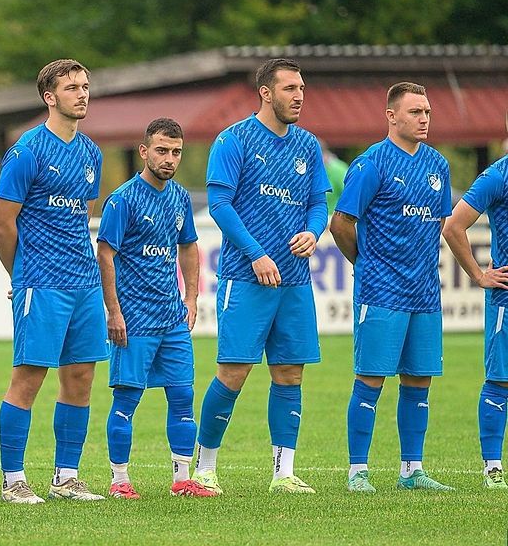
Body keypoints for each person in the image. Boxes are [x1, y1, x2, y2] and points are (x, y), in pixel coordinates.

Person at [194, 58, 330, 495]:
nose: (300, 96)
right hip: (245, 276)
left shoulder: (308, 145)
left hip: (294, 280)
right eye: (290, 88)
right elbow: (220, 205)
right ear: (266, 92)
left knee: (290, 374)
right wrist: (255, 254)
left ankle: (283, 473)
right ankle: (205, 466)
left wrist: (313, 231)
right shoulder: (233, 139)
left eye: (302, 88)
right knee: (233, 372)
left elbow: (318, 204)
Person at [0, 59, 108, 504]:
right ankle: (13, 479)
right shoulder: (27, 150)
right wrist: (19, 275)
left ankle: (66, 476)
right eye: (71, 87)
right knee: (29, 376)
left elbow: (78, 216)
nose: (82, 94)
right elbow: (3, 224)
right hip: (41, 281)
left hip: (84, 280)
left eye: (85, 86)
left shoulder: (91, 153)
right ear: (49, 97)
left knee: (79, 377)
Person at [330, 82, 454, 493]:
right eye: (416, 111)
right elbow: (341, 223)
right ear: (391, 116)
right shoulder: (371, 164)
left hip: (424, 293)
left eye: (427, 112)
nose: (424, 119)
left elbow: (439, 223)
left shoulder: (437, 165)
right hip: (381, 290)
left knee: (420, 380)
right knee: (371, 379)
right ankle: (357, 471)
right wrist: (366, 264)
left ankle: (411, 470)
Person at [97, 118, 216, 500]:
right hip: (134, 319)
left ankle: (182, 480)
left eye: (176, 151)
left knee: (182, 396)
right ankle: (119, 481)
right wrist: (114, 312)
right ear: (144, 151)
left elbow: (188, 246)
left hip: (172, 318)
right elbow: (106, 254)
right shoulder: (123, 199)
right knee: (127, 399)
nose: (169, 158)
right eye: (162, 150)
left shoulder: (180, 197)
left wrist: (192, 297)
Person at [443, 141, 508, 490]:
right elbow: (453, 226)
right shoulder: (497, 176)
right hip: (506, 301)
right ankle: (493, 467)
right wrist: (479, 275)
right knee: (501, 380)